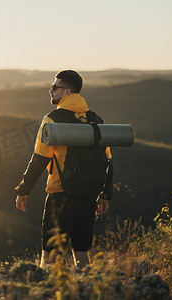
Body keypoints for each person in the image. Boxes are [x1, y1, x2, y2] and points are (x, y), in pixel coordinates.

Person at [15, 70, 113, 269]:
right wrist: (105, 194)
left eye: (55, 87)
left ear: (67, 91)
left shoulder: (52, 119)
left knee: (50, 252)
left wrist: (23, 190)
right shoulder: (96, 119)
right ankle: (85, 287)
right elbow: (108, 160)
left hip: (61, 192)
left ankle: (46, 288)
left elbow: (40, 158)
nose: (51, 90)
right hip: (89, 193)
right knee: (82, 250)